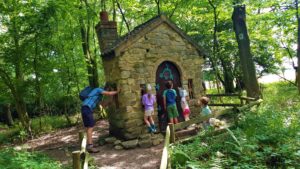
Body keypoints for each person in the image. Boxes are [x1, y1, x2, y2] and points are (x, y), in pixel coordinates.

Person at [81, 85, 120, 153]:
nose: (107, 91)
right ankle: (90, 147)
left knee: (88, 127)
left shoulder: (98, 96)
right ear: (105, 89)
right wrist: (118, 91)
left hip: (85, 108)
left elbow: (102, 105)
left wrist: (110, 101)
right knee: (90, 127)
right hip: (87, 109)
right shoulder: (98, 90)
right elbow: (109, 93)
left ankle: (89, 144)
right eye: (107, 90)